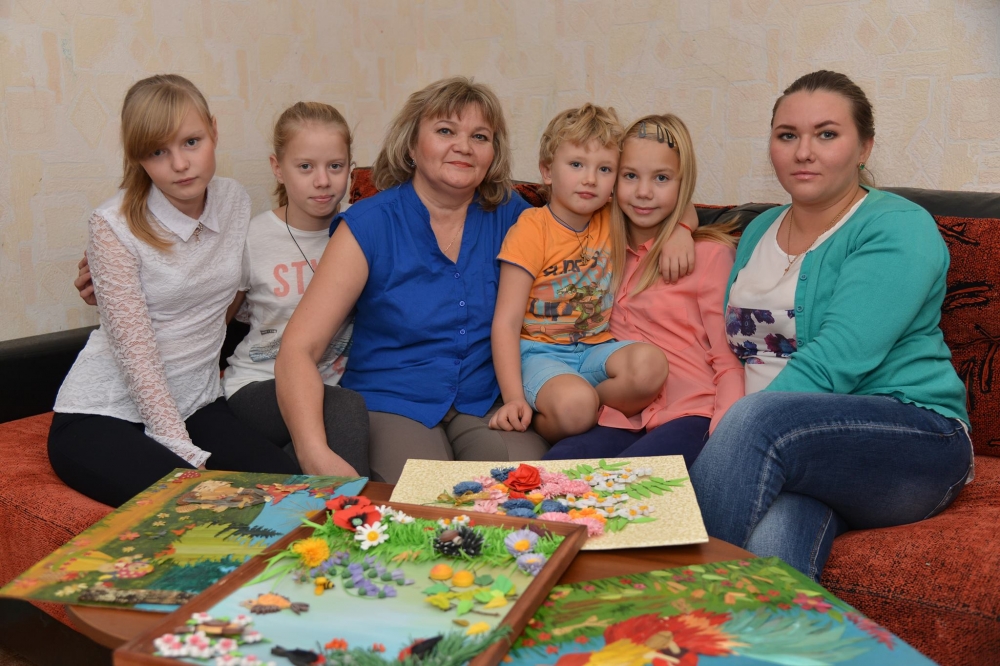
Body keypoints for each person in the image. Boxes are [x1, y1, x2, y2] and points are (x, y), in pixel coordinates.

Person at [689, 70, 973, 581]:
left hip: (913, 438)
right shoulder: (758, 229)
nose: (804, 152)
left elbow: (838, 359)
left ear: (864, 147)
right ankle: (770, 632)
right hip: (800, 452)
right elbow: (729, 347)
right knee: (774, 539)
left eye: (826, 134)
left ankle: (670, 601)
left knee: (757, 422)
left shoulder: (897, 226)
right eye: (787, 135)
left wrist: (737, 431)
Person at [50, 74, 298, 507]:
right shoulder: (112, 224)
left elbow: (229, 292)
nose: (180, 164)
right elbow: (137, 355)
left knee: (292, 491)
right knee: (199, 506)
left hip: (197, 402)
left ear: (214, 131)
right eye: (158, 151)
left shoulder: (233, 200)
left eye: (191, 142)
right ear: (138, 157)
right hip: (103, 412)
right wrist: (182, 454)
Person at [544, 113, 743, 468]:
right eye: (630, 176)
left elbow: (729, 359)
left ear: (683, 184)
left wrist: (727, 435)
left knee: (633, 478)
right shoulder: (598, 251)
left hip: (692, 413)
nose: (644, 192)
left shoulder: (709, 256)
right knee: (557, 466)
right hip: (622, 415)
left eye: (661, 178)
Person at [489, 104, 669, 443]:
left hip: (596, 348)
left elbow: (673, 201)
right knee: (575, 405)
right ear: (547, 171)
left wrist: (683, 232)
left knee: (652, 366)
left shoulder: (613, 217)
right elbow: (506, 322)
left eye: (605, 169)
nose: (590, 179)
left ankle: (585, 407)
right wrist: (513, 398)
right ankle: (557, 415)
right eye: (576, 165)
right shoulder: (532, 229)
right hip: (540, 353)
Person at [222, 102, 369, 478]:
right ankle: (357, 510)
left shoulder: (363, 231)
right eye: (305, 167)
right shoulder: (252, 238)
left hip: (334, 382)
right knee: (344, 409)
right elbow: (213, 321)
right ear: (278, 168)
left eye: (335, 166)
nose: (322, 181)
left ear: (350, 169)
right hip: (259, 383)